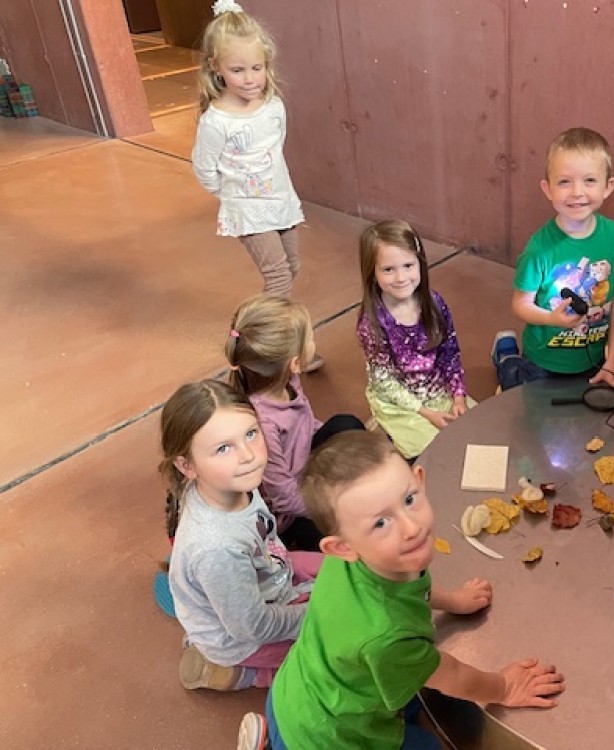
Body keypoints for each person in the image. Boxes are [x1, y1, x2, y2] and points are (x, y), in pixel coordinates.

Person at [264, 430, 565, 749]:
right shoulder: (386, 636)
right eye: (381, 523)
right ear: (342, 547)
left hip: (304, 687)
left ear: (419, 480)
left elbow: (411, 585)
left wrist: (454, 601)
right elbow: (451, 674)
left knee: (406, 692)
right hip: (326, 736)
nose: (411, 528)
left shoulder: (366, 557)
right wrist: (503, 687)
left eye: (409, 500)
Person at [160, 380, 323, 692]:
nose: (248, 455)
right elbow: (254, 627)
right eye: (223, 448)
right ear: (187, 466)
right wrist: (315, 612)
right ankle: (238, 672)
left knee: (345, 568)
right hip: (243, 639)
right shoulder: (216, 549)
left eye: (251, 433)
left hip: (270, 571)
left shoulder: (233, 482)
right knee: (339, 648)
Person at [492, 127, 614, 394]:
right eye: (564, 182)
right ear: (547, 189)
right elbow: (520, 304)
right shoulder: (539, 248)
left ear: (608, 186)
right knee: (520, 397)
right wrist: (552, 319)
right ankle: (507, 356)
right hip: (542, 361)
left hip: (593, 359)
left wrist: (613, 360)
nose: (576, 192)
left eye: (589, 180)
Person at [227, 294, 365, 551]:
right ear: (295, 363)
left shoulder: (288, 381)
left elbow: (305, 424)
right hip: (291, 514)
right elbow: (284, 498)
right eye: (310, 338)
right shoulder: (263, 423)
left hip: (304, 468)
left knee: (347, 426)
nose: (313, 341)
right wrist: (332, 507)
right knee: (340, 541)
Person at [191, 0, 306, 303]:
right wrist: (234, 195)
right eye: (237, 70)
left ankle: (265, 324)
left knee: (292, 266)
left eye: (257, 68)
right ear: (215, 66)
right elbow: (204, 168)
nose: (250, 78)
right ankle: (270, 334)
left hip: (281, 200)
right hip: (248, 209)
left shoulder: (273, 106)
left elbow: (276, 146)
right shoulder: (216, 121)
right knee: (278, 277)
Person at [357, 219, 475, 459]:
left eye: (408, 265)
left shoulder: (434, 303)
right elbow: (384, 381)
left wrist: (458, 396)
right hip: (400, 401)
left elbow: (450, 353)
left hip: (438, 390)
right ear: (372, 273)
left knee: (477, 432)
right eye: (388, 269)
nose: (401, 277)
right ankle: (383, 426)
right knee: (431, 454)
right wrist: (427, 414)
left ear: (420, 263)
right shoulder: (371, 322)